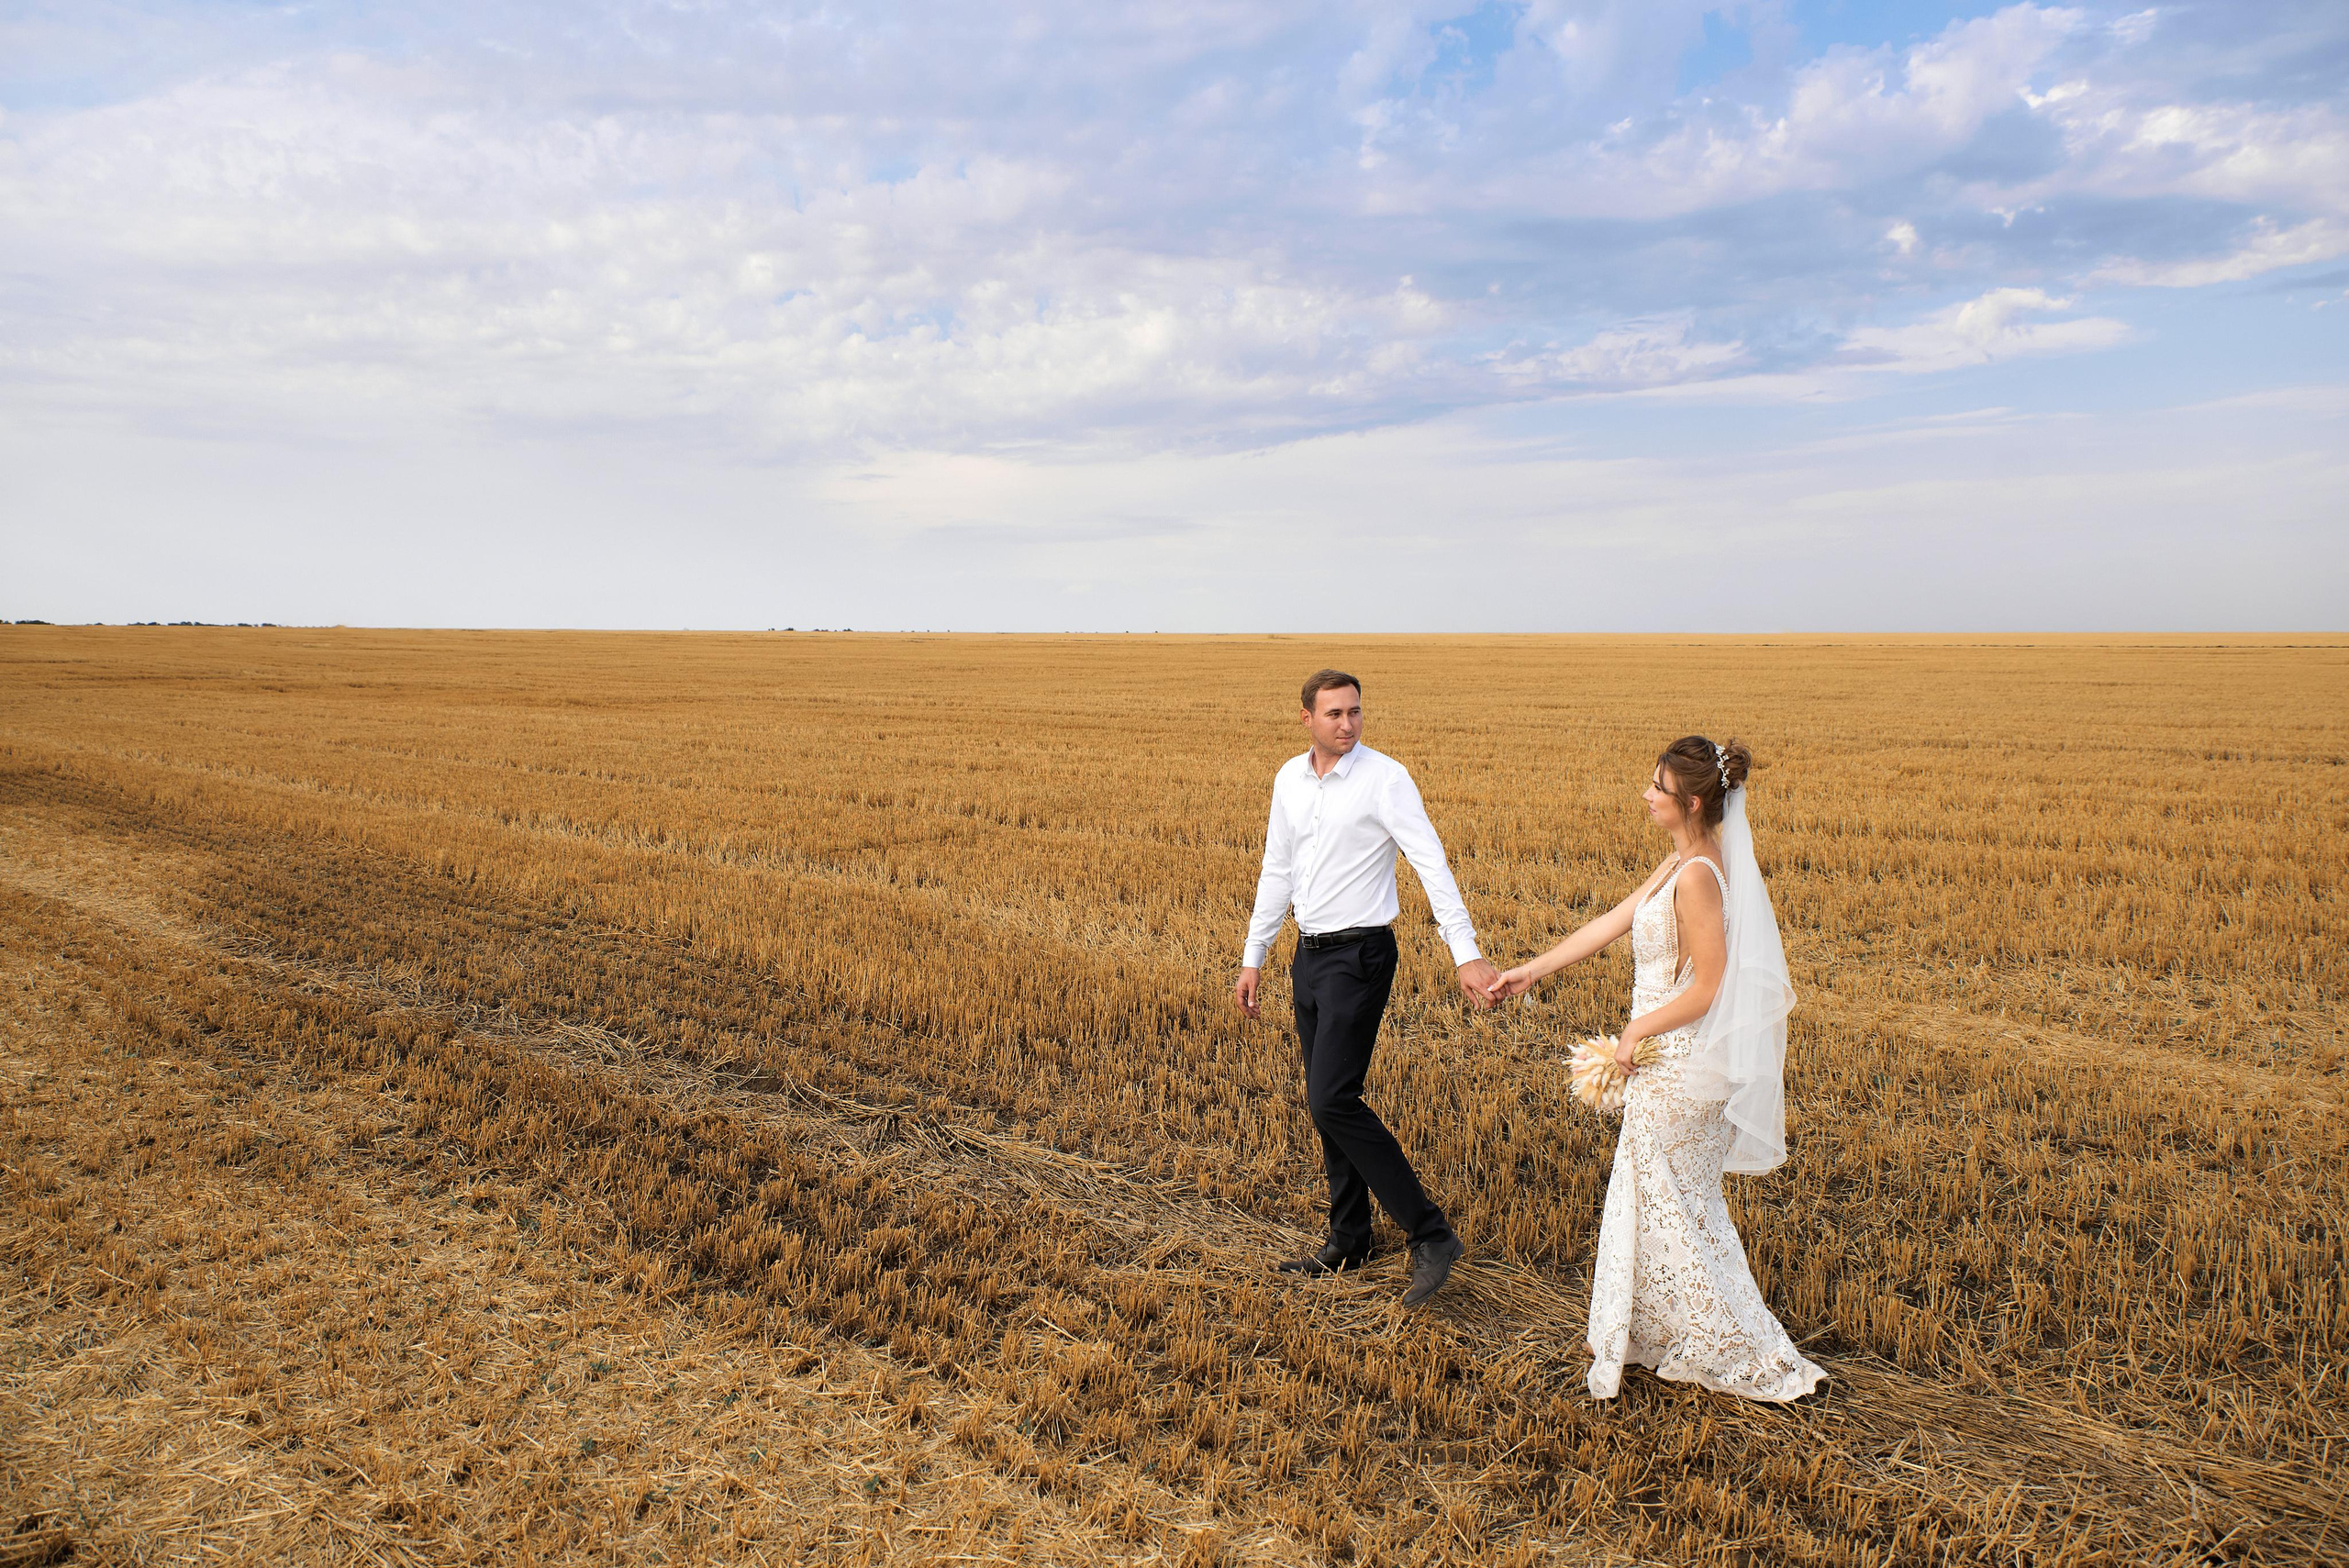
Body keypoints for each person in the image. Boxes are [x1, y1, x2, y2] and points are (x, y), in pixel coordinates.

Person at [1490, 737, 1825, 1401]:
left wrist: (1636, 1030)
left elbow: (1712, 984)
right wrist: (1532, 970)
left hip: (1678, 1066)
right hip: (1667, 1061)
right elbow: (1615, 921)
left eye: (1658, 787)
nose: (1646, 794)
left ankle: (1741, 1348)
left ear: (1692, 800)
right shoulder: (1683, 860)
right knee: (1671, 1204)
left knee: (1673, 1204)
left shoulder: (1700, 876)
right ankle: (1647, 1331)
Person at [1234, 669, 1500, 1307]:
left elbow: (1430, 861)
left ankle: (1430, 1232)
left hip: (1362, 955)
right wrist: (1255, 954)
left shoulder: (1386, 777)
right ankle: (1350, 1235)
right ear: (1307, 718)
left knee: (1331, 1099)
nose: (1348, 724)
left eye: (1355, 712)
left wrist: (1465, 953)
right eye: (1334, 714)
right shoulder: (1288, 780)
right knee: (1331, 1103)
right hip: (1309, 955)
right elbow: (1278, 866)